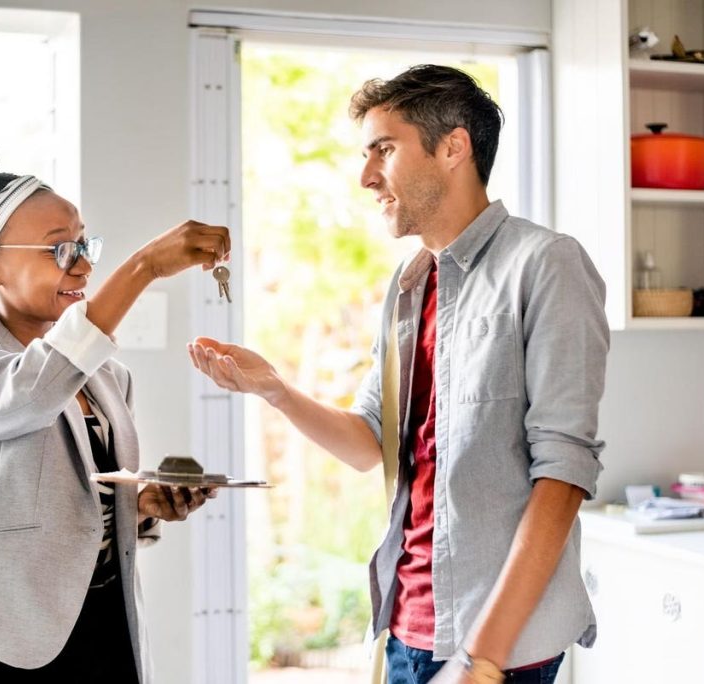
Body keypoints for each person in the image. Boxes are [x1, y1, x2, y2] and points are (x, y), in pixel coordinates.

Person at [189, 65, 609, 684]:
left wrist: (482, 659)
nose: (366, 176)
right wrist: (274, 389)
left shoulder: (545, 264)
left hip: (496, 648)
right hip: (408, 628)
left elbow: (563, 474)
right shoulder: (410, 284)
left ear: (453, 147)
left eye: (383, 149)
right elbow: (371, 442)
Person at [0, 137, 229, 683]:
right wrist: (145, 266)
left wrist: (142, 505)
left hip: (104, 632)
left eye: (84, 244)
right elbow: (30, 394)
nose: (82, 266)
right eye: (59, 250)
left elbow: (77, 499)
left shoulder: (108, 375)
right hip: (0, 645)